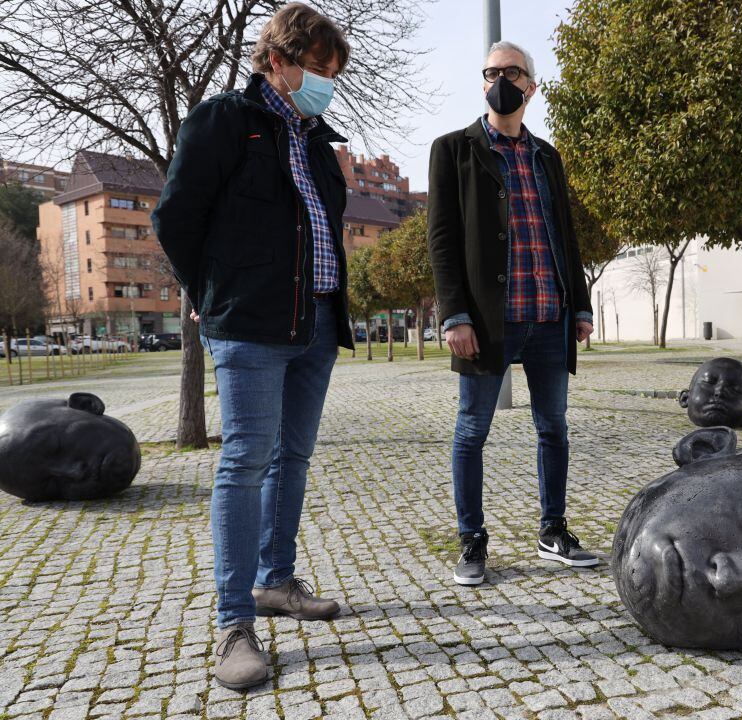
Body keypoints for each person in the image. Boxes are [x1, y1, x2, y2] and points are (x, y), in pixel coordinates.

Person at [152, 2, 352, 690]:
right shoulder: (224, 122)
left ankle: (277, 582)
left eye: (333, 74)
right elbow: (175, 215)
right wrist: (205, 292)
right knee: (244, 462)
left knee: (291, 458)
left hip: (316, 323)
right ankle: (235, 622)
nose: (327, 83)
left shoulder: (319, 142)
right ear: (278, 61)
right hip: (249, 325)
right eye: (318, 70)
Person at [427, 41, 598, 586]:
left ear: (531, 86)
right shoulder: (453, 150)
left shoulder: (548, 156)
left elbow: (565, 238)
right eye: (492, 72)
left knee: (553, 427)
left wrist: (581, 304)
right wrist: (454, 316)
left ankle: (553, 531)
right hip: (487, 322)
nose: (501, 80)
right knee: (472, 429)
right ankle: (472, 540)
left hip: (549, 314)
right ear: (483, 83)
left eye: (512, 72)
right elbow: (442, 241)